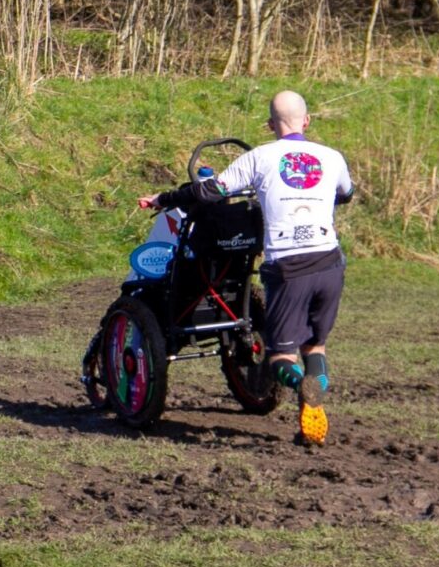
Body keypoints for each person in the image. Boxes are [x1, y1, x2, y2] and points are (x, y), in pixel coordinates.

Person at [139, 90, 353, 444]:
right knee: (315, 346)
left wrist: (164, 198)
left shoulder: (260, 158)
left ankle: (303, 386)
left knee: (280, 358)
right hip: (330, 262)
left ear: (270, 125)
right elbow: (345, 193)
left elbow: (210, 191)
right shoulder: (332, 157)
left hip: (290, 267)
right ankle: (312, 402)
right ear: (307, 120)